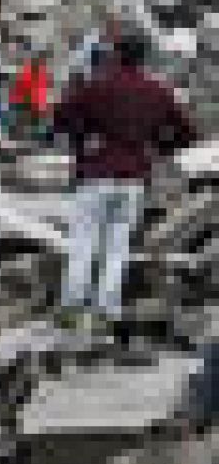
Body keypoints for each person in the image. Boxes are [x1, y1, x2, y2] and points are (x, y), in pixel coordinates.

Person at [52, 33, 197, 331]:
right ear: (144, 57)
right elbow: (186, 132)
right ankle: (107, 309)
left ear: (116, 54)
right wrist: (157, 146)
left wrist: (81, 138)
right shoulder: (158, 91)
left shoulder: (96, 86)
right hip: (134, 177)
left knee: (84, 240)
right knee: (118, 246)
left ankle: (72, 307)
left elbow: (61, 116)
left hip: (96, 171)